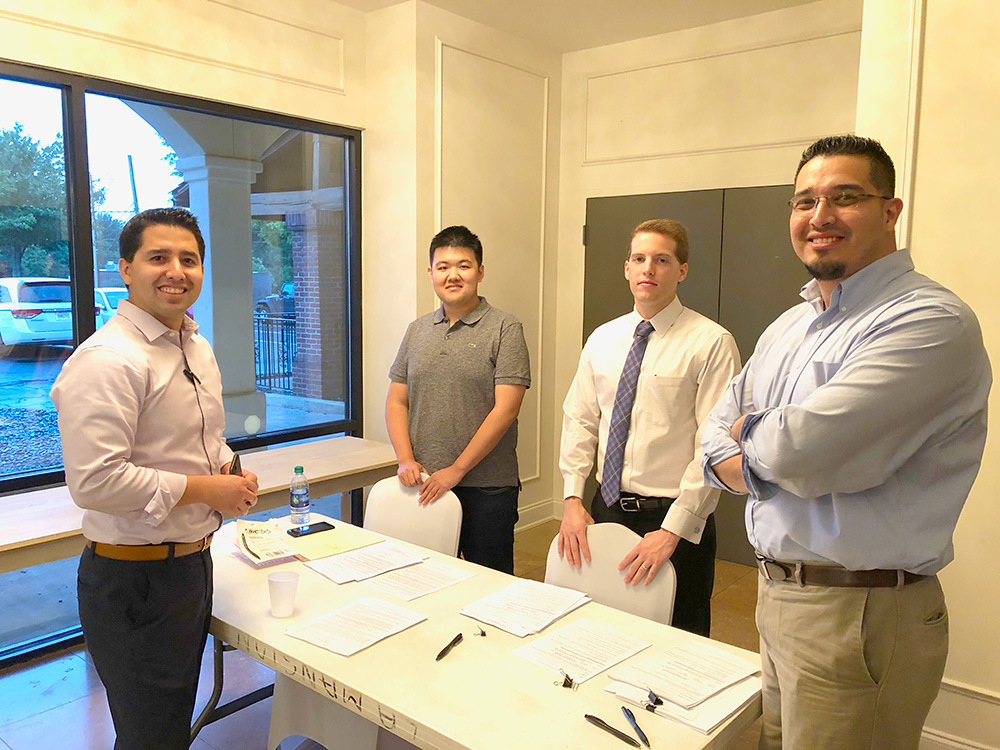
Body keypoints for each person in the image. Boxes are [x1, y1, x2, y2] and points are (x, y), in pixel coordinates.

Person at [702, 135, 991, 749]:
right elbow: (714, 431)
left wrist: (754, 444)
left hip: (859, 612)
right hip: (778, 594)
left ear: (890, 210)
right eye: (804, 200)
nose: (819, 216)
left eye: (845, 197)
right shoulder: (792, 322)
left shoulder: (928, 321)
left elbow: (803, 452)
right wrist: (763, 441)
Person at [50, 208, 259, 750]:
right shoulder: (108, 360)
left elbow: (202, 440)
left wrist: (228, 471)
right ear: (125, 268)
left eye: (188, 259)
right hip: (132, 581)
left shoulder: (194, 345)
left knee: (168, 726)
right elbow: (95, 482)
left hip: (191, 564)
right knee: (151, 736)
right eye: (158, 257)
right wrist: (203, 489)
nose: (176, 271)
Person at [557, 219, 740, 637]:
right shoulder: (602, 339)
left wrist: (673, 531)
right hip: (606, 514)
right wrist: (571, 498)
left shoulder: (711, 342)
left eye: (662, 260)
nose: (648, 269)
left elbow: (712, 448)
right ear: (626, 268)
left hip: (673, 520)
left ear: (682, 270)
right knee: (604, 630)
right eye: (639, 258)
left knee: (679, 641)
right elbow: (581, 420)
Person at [386, 225, 530, 573]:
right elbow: (396, 401)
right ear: (431, 273)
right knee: (425, 576)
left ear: (480, 272)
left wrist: (457, 470)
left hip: (488, 488)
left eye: (464, 265)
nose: (453, 275)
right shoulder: (417, 330)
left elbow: (506, 409)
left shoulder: (504, 328)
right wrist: (405, 459)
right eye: (443, 266)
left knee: (489, 583)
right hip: (423, 483)